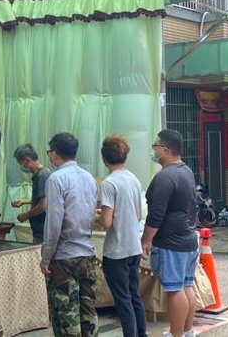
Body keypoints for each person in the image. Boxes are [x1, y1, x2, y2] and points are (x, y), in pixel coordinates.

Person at [140, 129, 199, 337]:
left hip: (171, 242)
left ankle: (176, 334)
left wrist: (146, 240)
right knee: (186, 286)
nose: (153, 150)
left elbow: (156, 214)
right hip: (188, 239)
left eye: (155, 146)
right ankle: (187, 331)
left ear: (166, 150)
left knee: (175, 290)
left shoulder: (165, 176)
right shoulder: (186, 171)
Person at [41, 132, 98, 337]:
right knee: (88, 309)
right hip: (87, 252)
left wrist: (46, 257)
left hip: (64, 256)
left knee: (66, 313)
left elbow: (54, 223)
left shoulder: (56, 179)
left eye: (50, 152)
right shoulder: (89, 178)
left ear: (55, 153)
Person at [98, 135, 147, 337]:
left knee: (122, 300)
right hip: (134, 246)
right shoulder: (133, 179)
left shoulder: (109, 183)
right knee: (134, 295)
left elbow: (106, 222)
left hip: (116, 250)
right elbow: (138, 215)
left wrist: (97, 215)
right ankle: (142, 333)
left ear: (104, 159)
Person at [11, 144, 50, 244]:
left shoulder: (42, 176)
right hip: (41, 230)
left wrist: (26, 215)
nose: (21, 167)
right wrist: (26, 201)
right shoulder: (43, 173)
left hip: (42, 231)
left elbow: (43, 206)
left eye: (20, 163)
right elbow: (45, 198)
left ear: (27, 160)